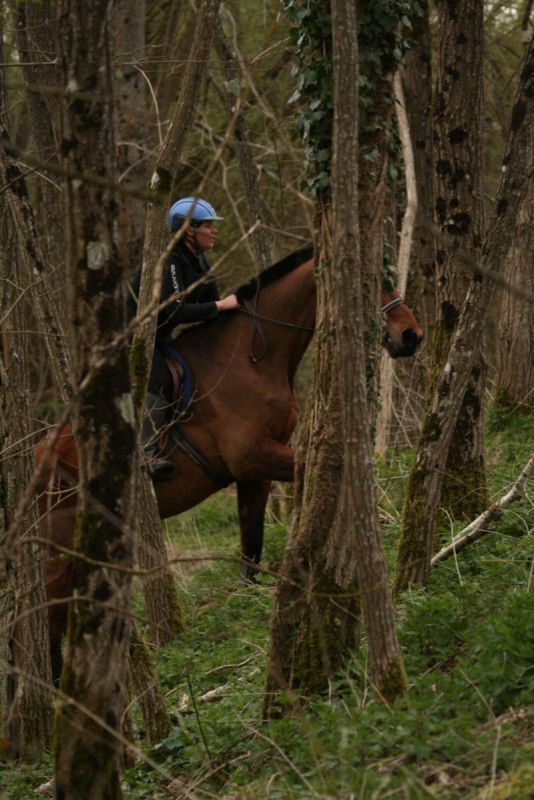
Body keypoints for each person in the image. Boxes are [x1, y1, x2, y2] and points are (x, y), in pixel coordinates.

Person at [127, 197, 240, 481]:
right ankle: (146, 451)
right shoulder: (170, 262)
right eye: (208, 226)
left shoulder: (199, 262)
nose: (214, 231)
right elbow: (176, 310)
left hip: (161, 337)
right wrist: (219, 306)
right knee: (160, 380)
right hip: (133, 336)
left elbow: (214, 306)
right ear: (189, 230)